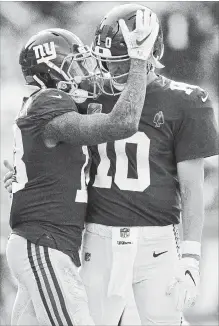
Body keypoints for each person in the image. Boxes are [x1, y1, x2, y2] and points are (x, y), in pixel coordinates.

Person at [4, 19, 159, 325]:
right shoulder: (50, 101)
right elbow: (121, 124)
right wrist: (139, 62)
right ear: (53, 72)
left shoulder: (45, 107)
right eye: (75, 65)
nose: (86, 73)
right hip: (44, 245)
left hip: (43, 244)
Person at [75, 4, 218, 325]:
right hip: (96, 237)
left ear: (150, 52)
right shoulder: (87, 93)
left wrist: (191, 257)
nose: (109, 71)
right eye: (106, 62)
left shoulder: (186, 101)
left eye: (119, 62)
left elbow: (191, 186)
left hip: (157, 242)